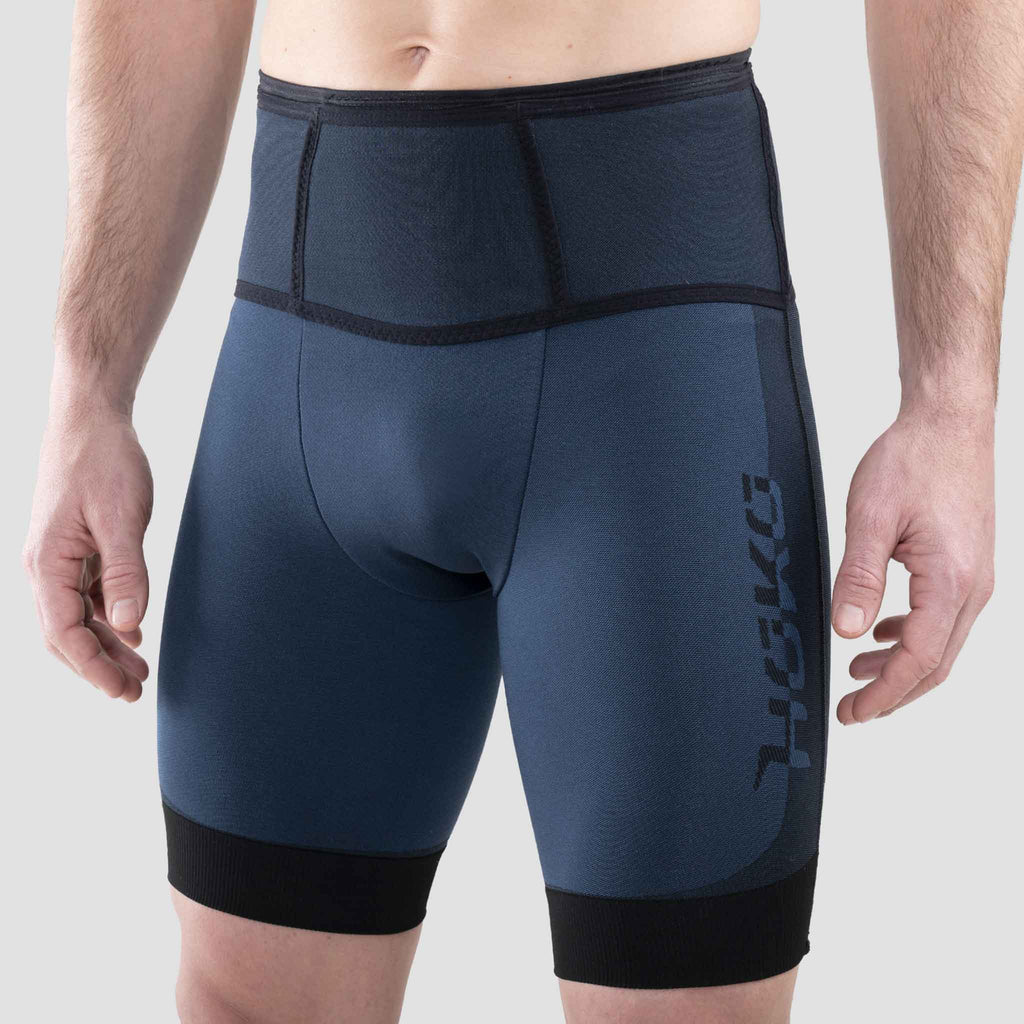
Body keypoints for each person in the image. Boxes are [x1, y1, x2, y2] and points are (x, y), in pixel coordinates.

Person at [23, 1, 1021, 1021]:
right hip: (297, 354)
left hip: (646, 368)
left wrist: (951, 402)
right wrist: (88, 389)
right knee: (244, 1001)